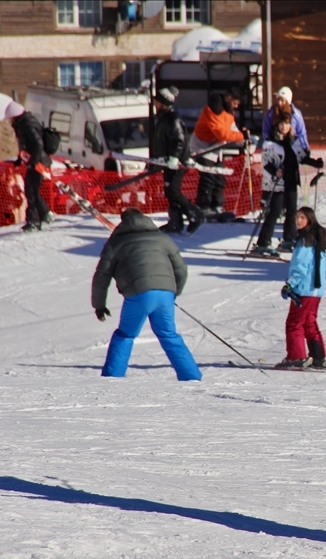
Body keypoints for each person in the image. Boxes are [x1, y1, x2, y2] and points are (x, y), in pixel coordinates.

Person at [92, 208, 202, 381]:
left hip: (139, 294)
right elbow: (181, 268)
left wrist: (99, 305)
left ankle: (112, 377)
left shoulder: (116, 243)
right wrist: (174, 292)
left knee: (125, 335)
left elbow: (101, 276)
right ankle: (191, 376)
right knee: (168, 334)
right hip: (165, 293)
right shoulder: (163, 239)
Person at [278, 206, 326, 369]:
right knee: (309, 322)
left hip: (305, 289)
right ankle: (318, 356)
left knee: (294, 322)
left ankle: (296, 357)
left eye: (302, 218)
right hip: (315, 290)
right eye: (297, 218)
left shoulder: (305, 241)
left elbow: (301, 267)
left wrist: (290, 284)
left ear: (309, 219)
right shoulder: (317, 239)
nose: (298, 221)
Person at [152, 86, 203, 235]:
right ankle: (175, 222)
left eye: (157, 101)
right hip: (167, 161)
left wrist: (174, 158)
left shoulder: (173, 119)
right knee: (169, 191)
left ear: (163, 103)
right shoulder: (163, 117)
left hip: (177, 162)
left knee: (174, 191)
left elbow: (179, 141)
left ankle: (196, 215)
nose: (154, 103)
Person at [254, 113, 308, 255]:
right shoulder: (270, 142)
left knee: (292, 211)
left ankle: (288, 240)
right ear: (277, 125)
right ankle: (262, 243)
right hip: (276, 182)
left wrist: (314, 161)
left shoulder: (294, 141)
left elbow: (302, 157)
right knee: (275, 211)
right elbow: (265, 162)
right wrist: (275, 171)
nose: (284, 126)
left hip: (291, 181)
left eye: (287, 123)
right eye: (281, 123)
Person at [190, 88, 245, 220]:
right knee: (208, 177)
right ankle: (203, 207)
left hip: (216, 147)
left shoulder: (229, 112)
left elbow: (231, 129)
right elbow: (222, 133)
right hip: (202, 147)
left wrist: (242, 140)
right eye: (235, 103)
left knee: (220, 177)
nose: (236, 106)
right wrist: (240, 136)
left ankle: (217, 205)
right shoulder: (212, 110)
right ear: (229, 98)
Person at [5, 101, 54, 233]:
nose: (9, 121)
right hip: (35, 161)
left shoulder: (27, 124)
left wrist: (34, 161)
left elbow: (38, 145)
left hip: (39, 163)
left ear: (15, 115)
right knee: (32, 190)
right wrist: (20, 159)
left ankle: (33, 221)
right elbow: (26, 146)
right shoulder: (22, 124)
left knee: (30, 191)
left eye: (10, 118)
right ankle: (45, 214)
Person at [262, 86, 310, 152]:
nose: (279, 103)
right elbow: (265, 132)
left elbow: (301, 134)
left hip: (292, 147)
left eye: (282, 100)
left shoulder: (296, 115)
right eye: (278, 100)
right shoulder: (270, 114)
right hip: (275, 147)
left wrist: (305, 148)